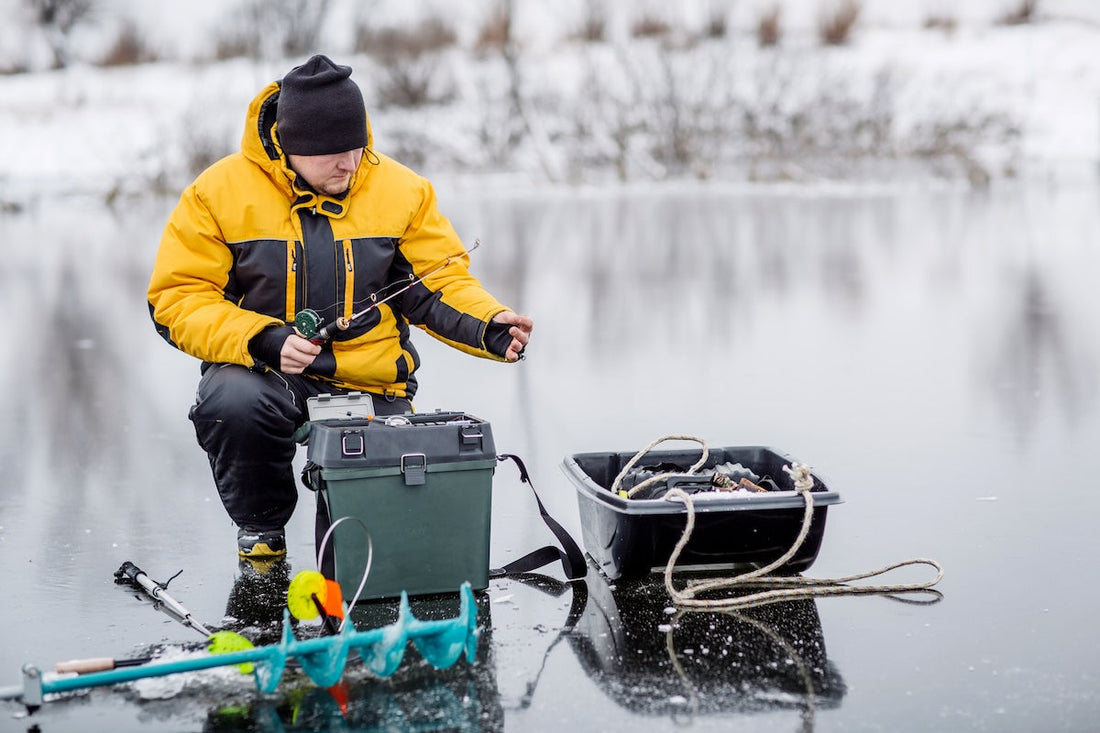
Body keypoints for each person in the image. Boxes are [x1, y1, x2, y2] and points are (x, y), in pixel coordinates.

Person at [147, 54, 532, 561]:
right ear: (291, 146)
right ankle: (262, 529)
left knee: (368, 550)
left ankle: (355, 548)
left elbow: (438, 283)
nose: (349, 164)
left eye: (356, 147)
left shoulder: (403, 191)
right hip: (268, 375)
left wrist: (488, 324)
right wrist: (261, 340)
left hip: (372, 384)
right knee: (231, 402)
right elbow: (178, 298)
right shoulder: (216, 195)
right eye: (332, 153)